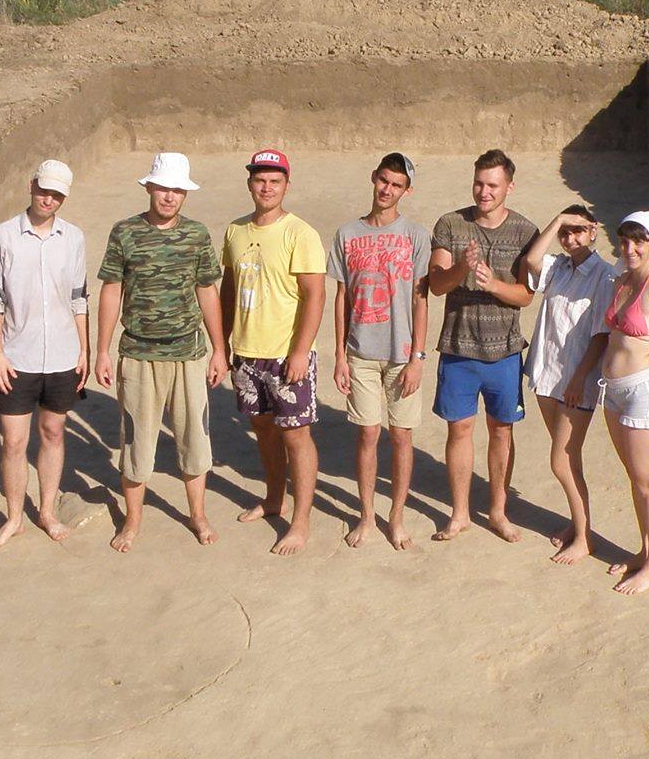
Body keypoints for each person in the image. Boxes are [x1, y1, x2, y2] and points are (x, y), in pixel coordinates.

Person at [94, 151, 229, 553]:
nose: (169, 196)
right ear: (149, 187)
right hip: (138, 354)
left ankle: (198, 514)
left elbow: (207, 289)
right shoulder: (125, 233)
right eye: (163, 188)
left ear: (185, 194)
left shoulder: (197, 235)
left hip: (188, 355)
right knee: (136, 441)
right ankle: (133, 518)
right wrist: (102, 350)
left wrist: (219, 349)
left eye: (177, 190)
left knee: (194, 438)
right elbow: (111, 289)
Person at [561, 211, 649, 594]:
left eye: (639, 242)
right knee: (635, 479)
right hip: (612, 391)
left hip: (642, 392)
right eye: (626, 242)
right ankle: (644, 551)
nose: (630, 249)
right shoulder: (622, 279)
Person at [426, 149, 538, 542]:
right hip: (458, 347)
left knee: (502, 432)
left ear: (510, 186)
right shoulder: (451, 225)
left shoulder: (526, 231)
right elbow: (435, 285)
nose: (484, 192)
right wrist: (462, 268)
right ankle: (459, 514)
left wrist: (492, 284)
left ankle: (498, 511)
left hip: (504, 351)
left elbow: (526, 295)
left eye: (493, 185)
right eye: (479, 183)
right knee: (460, 431)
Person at [0, 158, 88, 550]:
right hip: (17, 356)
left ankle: (46, 512)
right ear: (31, 186)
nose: (49, 199)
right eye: (44, 190)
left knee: (53, 432)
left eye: (57, 194)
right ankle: (12, 518)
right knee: (13, 441)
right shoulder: (2, 236)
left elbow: (79, 298)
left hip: (62, 354)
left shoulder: (73, 238)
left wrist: (84, 350)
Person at [222, 148, 327, 555]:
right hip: (247, 353)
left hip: (287, 355)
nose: (266, 187)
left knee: (296, 435)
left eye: (274, 181)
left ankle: (299, 522)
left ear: (286, 185)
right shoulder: (234, 230)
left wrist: (301, 351)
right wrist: (223, 344)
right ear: (250, 183)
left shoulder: (300, 233)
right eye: (260, 180)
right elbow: (228, 290)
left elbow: (315, 294)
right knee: (263, 429)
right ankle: (272, 499)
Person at [328, 152, 431, 550]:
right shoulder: (347, 234)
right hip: (361, 352)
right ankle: (367, 515)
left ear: (407, 191)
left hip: (403, 354)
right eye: (383, 180)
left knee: (401, 436)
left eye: (397, 185)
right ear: (374, 178)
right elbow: (341, 298)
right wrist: (339, 354)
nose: (387, 190)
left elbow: (422, 299)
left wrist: (418, 358)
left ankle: (397, 516)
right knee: (368, 434)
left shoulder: (415, 235)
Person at [519, 204, 617, 564]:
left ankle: (585, 538)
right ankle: (579, 527)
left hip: (577, 381)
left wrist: (579, 378)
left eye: (578, 230)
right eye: (565, 233)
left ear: (593, 231)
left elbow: (601, 335)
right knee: (569, 460)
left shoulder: (604, 276)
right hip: (547, 373)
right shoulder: (557, 267)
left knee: (561, 462)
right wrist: (558, 220)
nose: (571, 238)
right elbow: (531, 261)